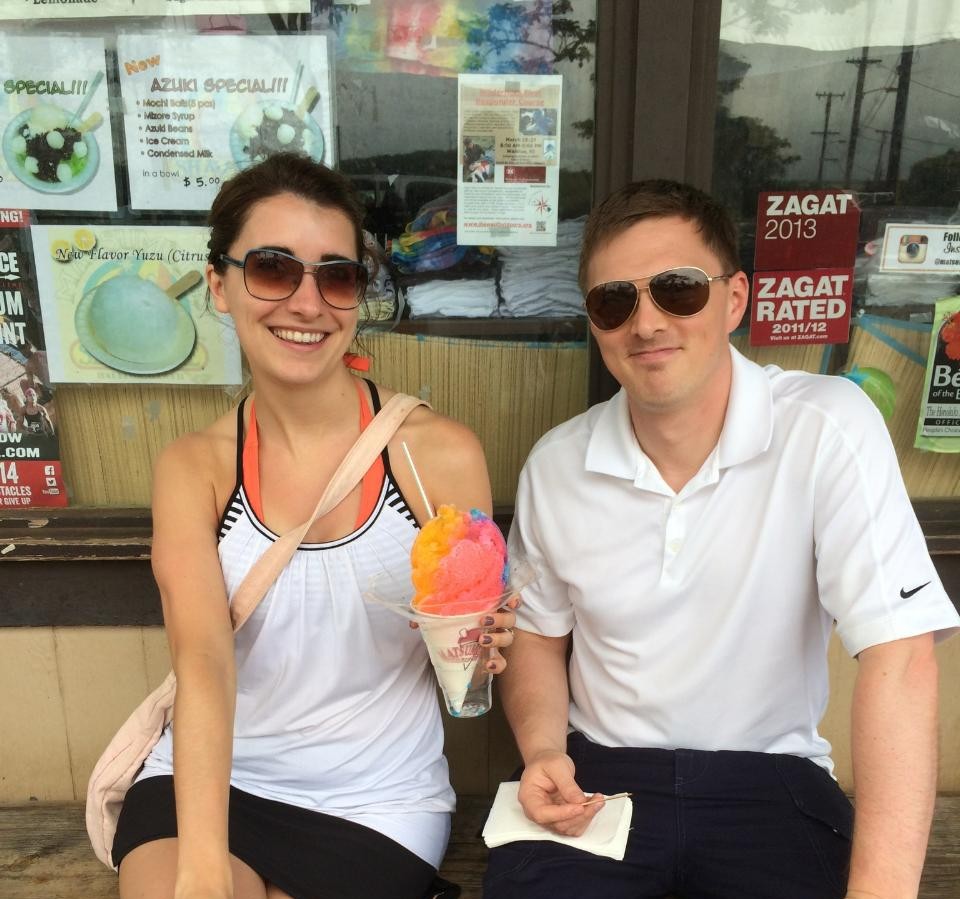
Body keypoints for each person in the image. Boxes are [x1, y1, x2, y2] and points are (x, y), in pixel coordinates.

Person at [484, 179, 960, 899]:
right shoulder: (558, 463)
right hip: (604, 777)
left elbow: (900, 659)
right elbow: (540, 636)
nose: (645, 322)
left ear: (734, 299)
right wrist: (544, 747)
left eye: (677, 289)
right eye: (615, 300)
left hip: (771, 778)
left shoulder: (826, 427)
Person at [112, 152, 517, 899]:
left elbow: (463, 669)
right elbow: (203, 657)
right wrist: (202, 865)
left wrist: (481, 647)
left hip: (376, 800)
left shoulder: (438, 455)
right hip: (207, 779)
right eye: (273, 268)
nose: (307, 303)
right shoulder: (193, 467)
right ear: (219, 286)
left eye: (336, 275)